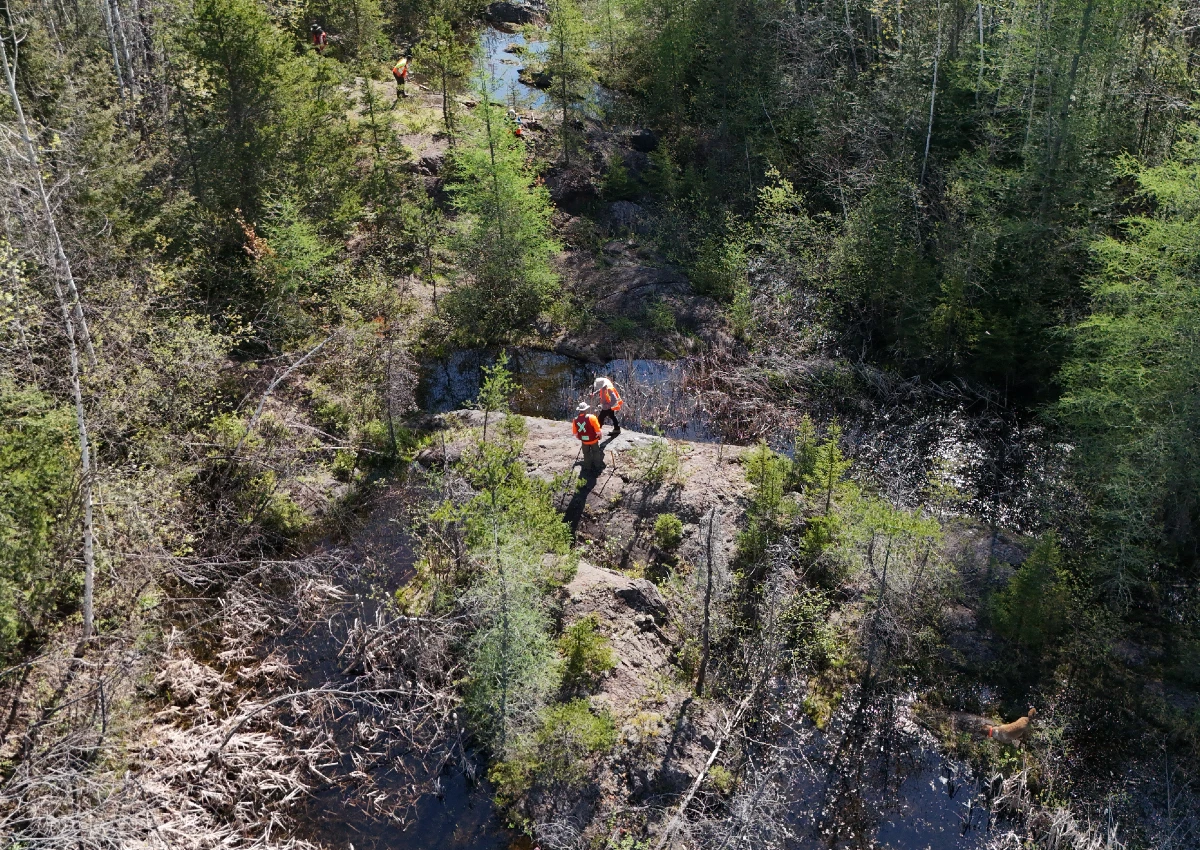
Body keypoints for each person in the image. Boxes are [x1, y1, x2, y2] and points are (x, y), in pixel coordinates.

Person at [572, 401, 604, 473]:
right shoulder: (592, 417)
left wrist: (581, 438)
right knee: (596, 452)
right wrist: (600, 436)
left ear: (579, 410)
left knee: (586, 453)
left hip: (584, 441)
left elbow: (575, 433)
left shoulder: (575, 419)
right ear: (586, 410)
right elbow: (598, 431)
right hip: (593, 440)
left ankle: (587, 467)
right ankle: (597, 467)